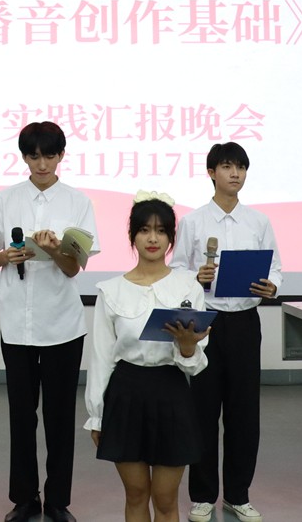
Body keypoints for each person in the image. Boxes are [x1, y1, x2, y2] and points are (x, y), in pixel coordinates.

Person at [0, 121, 99, 522]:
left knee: (60, 417)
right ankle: (25, 499)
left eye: (49, 155)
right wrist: (6, 256)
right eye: (33, 156)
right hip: (17, 324)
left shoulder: (77, 202)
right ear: (24, 157)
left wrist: (57, 250)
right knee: (21, 416)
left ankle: (58, 500)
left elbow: (74, 268)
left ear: (61, 155)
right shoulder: (6, 198)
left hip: (62, 325)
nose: (41, 164)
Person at [169, 142, 282, 522]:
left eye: (241, 168)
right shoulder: (193, 222)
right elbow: (176, 270)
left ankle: (238, 495)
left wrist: (272, 286)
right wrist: (194, 277)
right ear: (211, 172)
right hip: (206, 323)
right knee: (202, 411)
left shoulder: (258, 222)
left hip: (245, 323)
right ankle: (202, 496)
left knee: (244, 413)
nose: (235, 174)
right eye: (228, 166)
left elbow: (276, 267)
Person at [85, 191, 210, 522]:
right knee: (136, 493)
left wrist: (187, 346)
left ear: (170, 238)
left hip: (171, 391)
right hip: (125, 394)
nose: (152, 238)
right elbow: (101, 358)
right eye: (144, 230)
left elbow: (195, 361)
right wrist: (97, 415)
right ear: (133, 236)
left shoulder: (188, 287)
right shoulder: (111, 290)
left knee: (166, 499)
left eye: (161, 231)